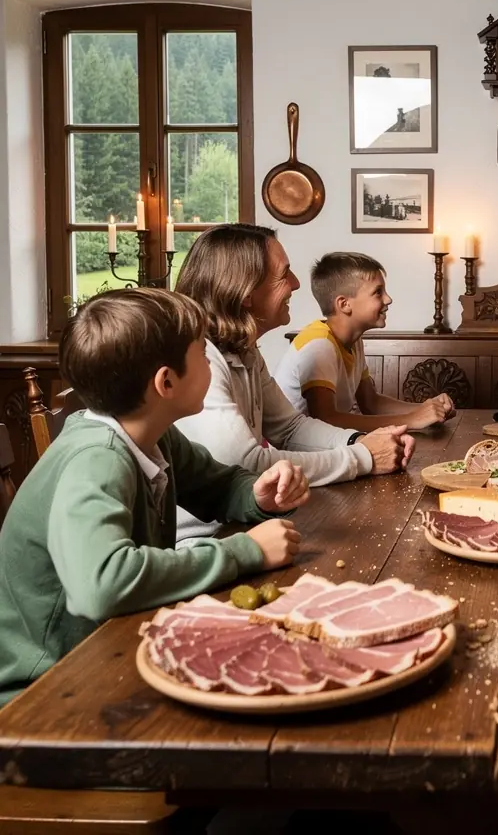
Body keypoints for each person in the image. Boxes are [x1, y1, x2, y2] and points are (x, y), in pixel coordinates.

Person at [0, 288, 308, 706]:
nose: (210, 361)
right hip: (44, 689)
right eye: (202, 352)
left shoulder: (153, 434)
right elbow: (101, 585)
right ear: (166, 382)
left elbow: (217, 486)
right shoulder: (98, 459)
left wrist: (258, 496)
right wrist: (243, 552)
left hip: (105, 649)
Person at [174, 224, 414, 544]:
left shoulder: (243, 350)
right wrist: (364, 457)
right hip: (203, 542)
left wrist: (362, 440)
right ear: (245, 293)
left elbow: (290, 429)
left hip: (246, 526)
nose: (296, 283)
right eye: (284, 274)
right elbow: (249, 465)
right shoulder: (200, 359)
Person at [274, 252, 456, 430]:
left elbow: (371, 403)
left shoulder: (353, 341)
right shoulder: (319, 345)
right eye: (378, 292)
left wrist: (427, 408)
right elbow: (326, 421)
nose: (388, 299)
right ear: (344, 304)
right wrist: (411, 419)